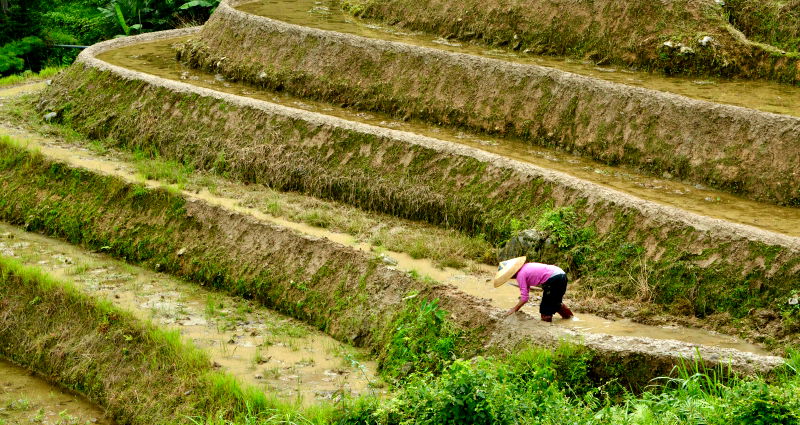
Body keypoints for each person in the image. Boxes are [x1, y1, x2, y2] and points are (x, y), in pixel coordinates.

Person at [492, 256, 573, 322]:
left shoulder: (520, 275)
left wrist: (514, 309)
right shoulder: (525, 267)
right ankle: (570, 320)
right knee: (555, 302)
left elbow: (524, 298)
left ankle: (547, 329)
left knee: (545, 311)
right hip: (561, 274)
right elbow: (525, 292)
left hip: (554, 278)